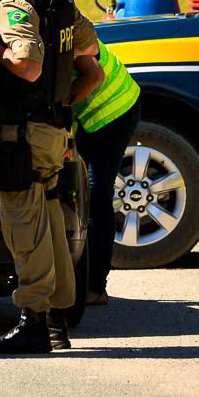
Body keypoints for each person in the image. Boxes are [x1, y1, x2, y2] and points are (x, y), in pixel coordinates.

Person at [0, 0, 100, 353]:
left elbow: (28, 66)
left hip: (20, 134)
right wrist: (60, 109)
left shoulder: (14, 3)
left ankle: (34, 322)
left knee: (25, 228)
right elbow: (92, 67)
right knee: (52, 225)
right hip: (52, 130)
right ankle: (57, 320)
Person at [70, 41, 141, 305]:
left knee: (95, 198)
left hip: (113, 112)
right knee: (88, 197)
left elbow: (95, 74)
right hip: (100, 113)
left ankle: (95, 288)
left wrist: (64, 103)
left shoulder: (44, 20)